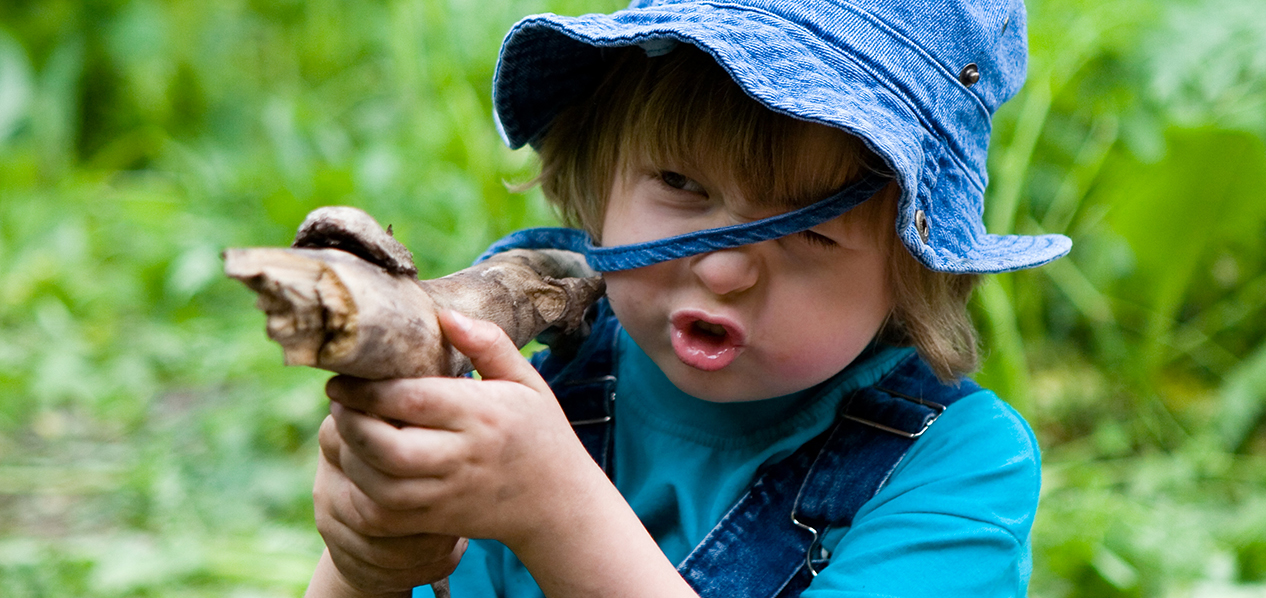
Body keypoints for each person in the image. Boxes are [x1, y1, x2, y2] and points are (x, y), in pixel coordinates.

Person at [306, 0, 1072, 596]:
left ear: (916, 269)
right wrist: (365, 566)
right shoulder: (531, 389)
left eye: (812, 233)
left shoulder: (959, 468)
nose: (725, 271)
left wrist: (557, 513)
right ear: (601, 173)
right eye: (680, 183)